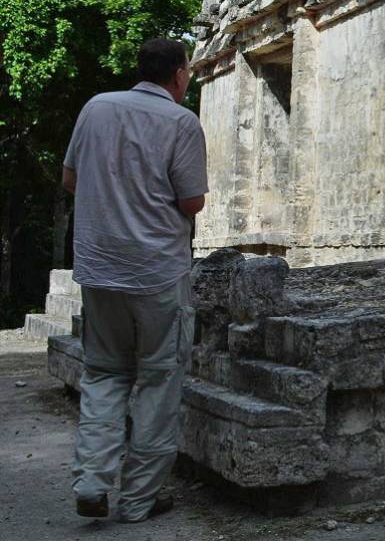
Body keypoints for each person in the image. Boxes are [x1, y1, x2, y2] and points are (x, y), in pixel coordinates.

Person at [63, 37, 207, 523]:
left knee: (103, 373)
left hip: (99, 266)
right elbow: (192, 203)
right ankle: (140, 497)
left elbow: (69, 179)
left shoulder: (96, 108)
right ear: (178, 74)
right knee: (158, 379)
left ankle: (92, 480)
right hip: (156, 271)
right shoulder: (181, 121)